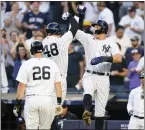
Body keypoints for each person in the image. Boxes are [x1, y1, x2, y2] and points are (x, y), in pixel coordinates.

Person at [71, 7, 122, 129]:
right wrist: (78, 15)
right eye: (94, 27)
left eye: (97, 27)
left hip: (104, 77)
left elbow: (119, 58)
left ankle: (91, 115)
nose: (94, 28)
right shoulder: (89, 38)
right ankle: (87, 111)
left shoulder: (111, 43)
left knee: (100, 111)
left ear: (103, 29)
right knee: (87, 92)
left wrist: (104, 58)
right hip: (90, 74)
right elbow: (73, 30)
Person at [13, 41, 63, 129]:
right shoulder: (52, 63)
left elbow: (21, 86)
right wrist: (59, 103)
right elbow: (58, 85)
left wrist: (17, 104)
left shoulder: (26, 64)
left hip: (32, 99)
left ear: (32, 51)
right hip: (48, 100)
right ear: (42, 50)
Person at [42, 11, 79, 102]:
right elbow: (74, 28)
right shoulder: (61, 41)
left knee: (47, 106)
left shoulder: (43, 42)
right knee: (58, 107)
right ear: (58, 31)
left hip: (46, 79)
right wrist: (73, 16)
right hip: (59, 78)